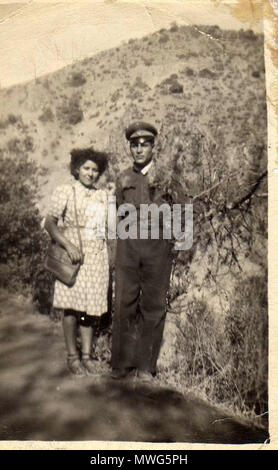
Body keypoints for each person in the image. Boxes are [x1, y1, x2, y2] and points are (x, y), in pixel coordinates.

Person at [111, 121, 175, 382]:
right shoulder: (123, 178)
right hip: (128, 248)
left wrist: (175, 252)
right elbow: (117, 211)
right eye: (134, 145)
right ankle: (121, 364)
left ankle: (147, 366)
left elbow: (182, 215)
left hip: (157, 251)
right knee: (123, 303)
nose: (139, 149)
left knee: (153, 306)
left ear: (152, 147)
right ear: (130, 148)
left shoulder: (167, 177)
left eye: (144, 144)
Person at [45, 148, 113, 376]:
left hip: (96, 257)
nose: (91, 174)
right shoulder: (65, 191)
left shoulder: (103, 195)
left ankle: (87, 356)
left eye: (95, 170)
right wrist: (69, 245)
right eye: (86, 168)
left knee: (89, 309)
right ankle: (72, 357)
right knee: (71, 308)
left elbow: (111, 226)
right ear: (76, 168)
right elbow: (50, 223)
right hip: (72, 255)